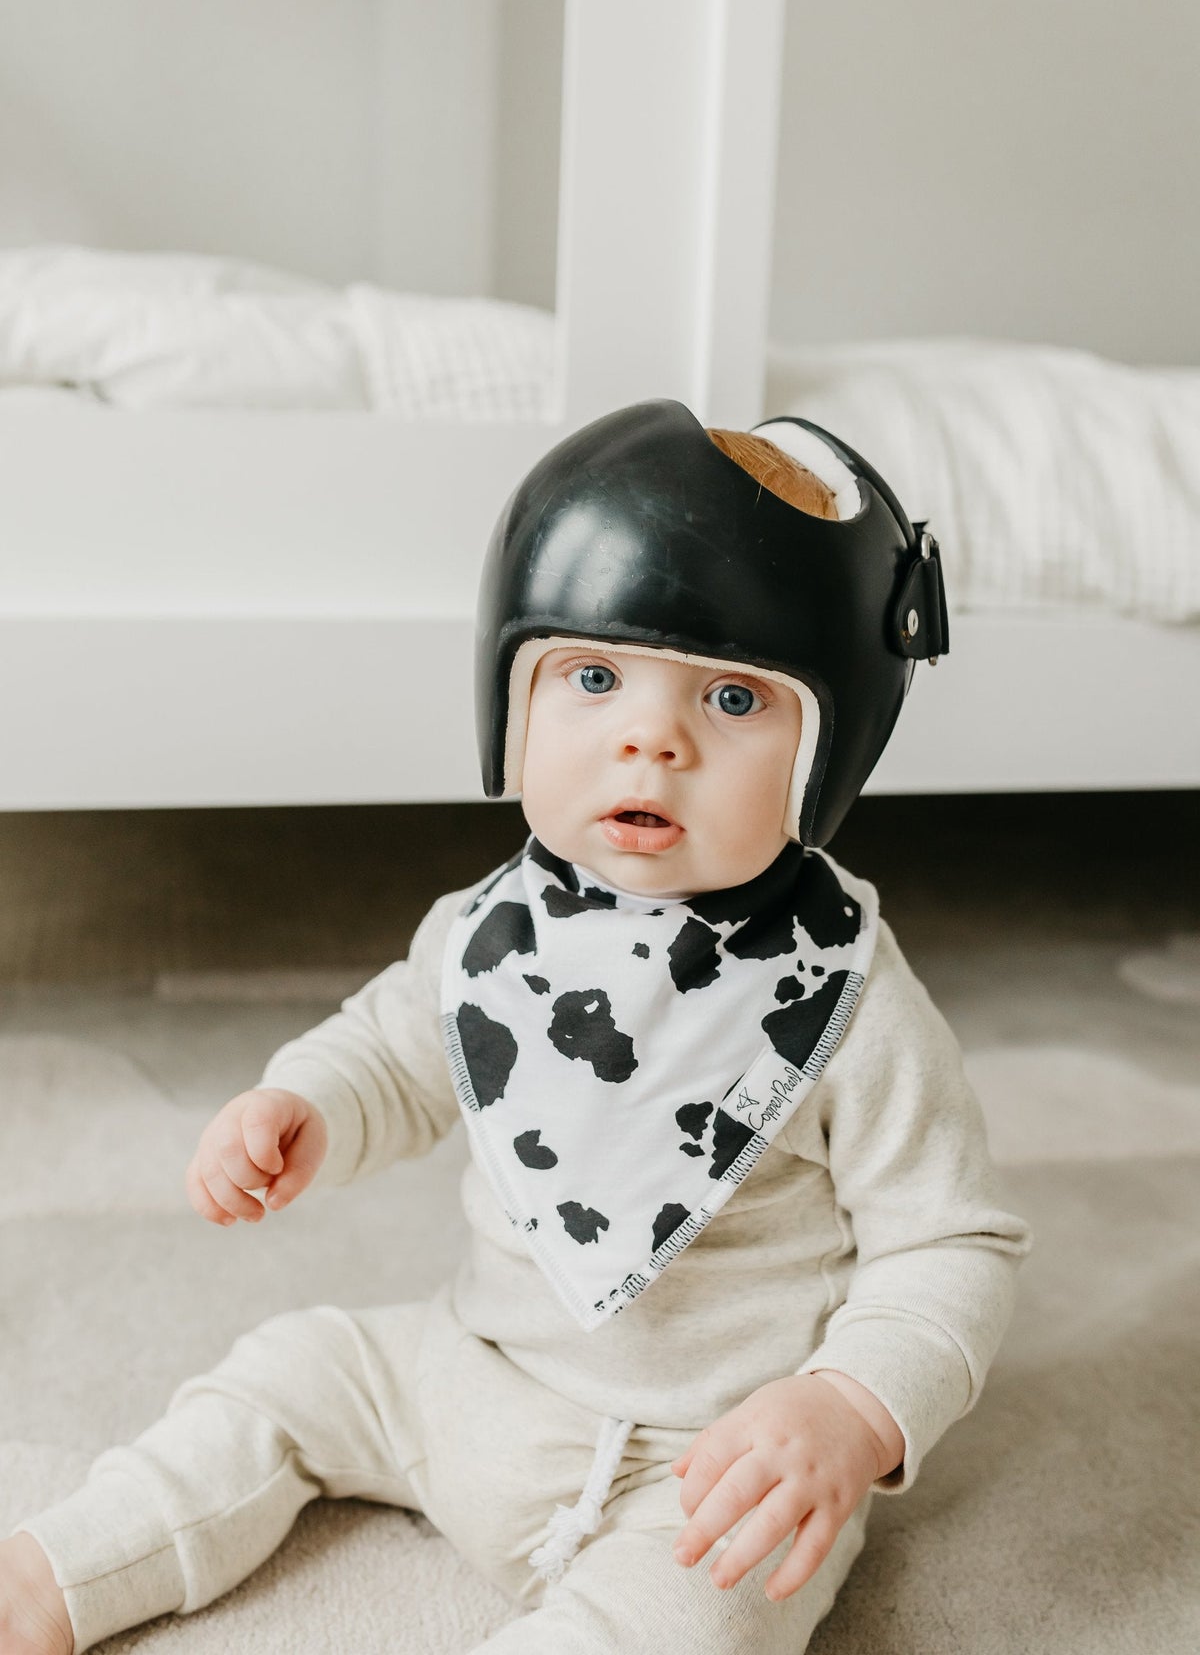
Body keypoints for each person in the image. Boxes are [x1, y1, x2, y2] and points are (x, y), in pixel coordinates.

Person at [0, 401, 1031, 1655]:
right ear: (512, 696)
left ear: (833, 747)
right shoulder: (492, 932)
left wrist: (851, 1408)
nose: (651, 738)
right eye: (592, 677)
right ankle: (55, 1574)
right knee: (287, 1371)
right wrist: (304, 1105)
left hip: (713, 1469)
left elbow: (953, 1244)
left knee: (693, 1620)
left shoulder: (848, 997)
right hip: (466, 1374)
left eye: (733, 699)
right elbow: (395, 1049)